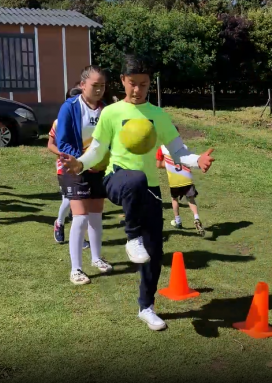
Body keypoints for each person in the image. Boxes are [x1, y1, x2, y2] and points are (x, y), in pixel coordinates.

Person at [61, 54, 215, 331]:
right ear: (122, 81)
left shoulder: (158, 115)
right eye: (132, 83)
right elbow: (97, 150)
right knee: (135, 178)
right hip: (116, 179)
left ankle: (146, 307)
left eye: (143, 85)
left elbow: (178, 150)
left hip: (149, 190)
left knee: (154, 252)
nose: (137, 90)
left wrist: (196, 160)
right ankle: (131, 237)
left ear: (149, 85)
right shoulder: (111, 112)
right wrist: (80, 163)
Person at [55, 66, 113, 285]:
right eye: (94, 85)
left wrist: (103, 162)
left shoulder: (107, 110)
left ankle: (97, 258)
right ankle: (76, 269)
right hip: (74, 169)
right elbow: (62, 142)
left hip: (99, 170)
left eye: (102, 86)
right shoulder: (69, 107)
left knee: (96, 215)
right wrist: (82, 162)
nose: (99, 90)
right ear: (82, 85)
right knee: (80, 217)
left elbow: (110, 142)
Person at [48, 87, 89, 249]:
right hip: (65, 166)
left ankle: (80, 237)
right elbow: (50, 145)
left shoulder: (88, 119)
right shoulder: (59, 121)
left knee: (82, 202)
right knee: (69, 199)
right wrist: (63, 153)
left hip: (85, 164)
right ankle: (59, 223)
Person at [156, 127, 205, 236]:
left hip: (174, 180)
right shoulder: (184, 147)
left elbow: (158, 165)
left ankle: (178, 221)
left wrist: (168, 164)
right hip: (186, 177)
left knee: (174, 199)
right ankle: (196, 217)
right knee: (191, 199)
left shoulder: (162, 149)